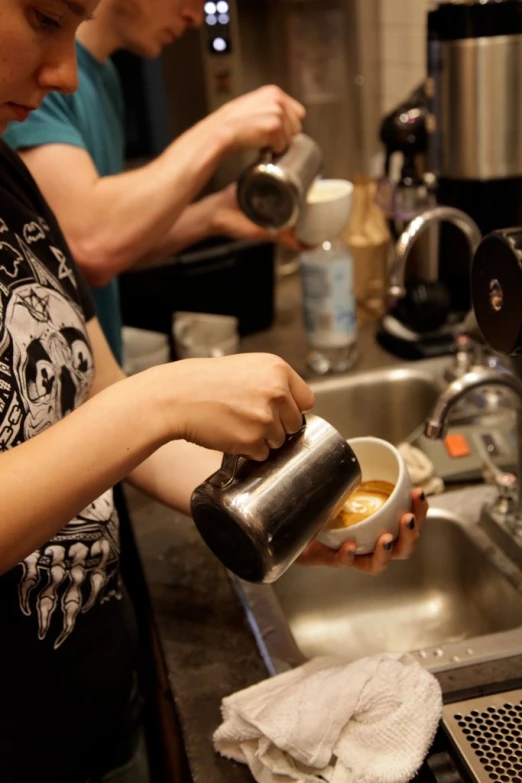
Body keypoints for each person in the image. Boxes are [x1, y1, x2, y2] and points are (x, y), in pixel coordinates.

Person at [0, 2, 428, 781]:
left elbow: (100, 396)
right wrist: (162, 401)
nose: (64, 71)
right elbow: (130, 410)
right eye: (42, 17)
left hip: (95, 719)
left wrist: (285, 515)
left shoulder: (7, 179)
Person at [3, 0, 307, 363]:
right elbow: (91, 243)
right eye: (47, 20)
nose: (196, 17)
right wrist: (223, 127)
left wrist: (214, 215)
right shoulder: (30, 87)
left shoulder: (105, 79)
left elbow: (82, 253)